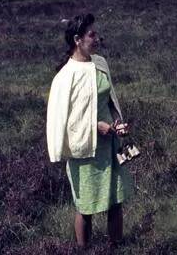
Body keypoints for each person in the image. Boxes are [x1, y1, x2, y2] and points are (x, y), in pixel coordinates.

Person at [46, 13, 134, 249]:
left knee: (116, 199)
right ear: (77, 39)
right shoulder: (66, 77)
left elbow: (110, 98)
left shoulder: (100, 63)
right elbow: (65, 119)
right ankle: (83, 250)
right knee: (85, 206)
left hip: (111, 142)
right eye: (91, 34)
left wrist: (118, 121)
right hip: (84, 148)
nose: (97, 38)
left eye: (96, 33)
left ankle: (118, 247)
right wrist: (96, 126)